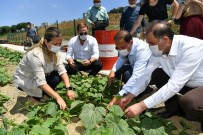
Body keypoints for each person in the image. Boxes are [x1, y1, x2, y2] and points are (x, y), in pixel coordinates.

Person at [115, 22, 203, 130]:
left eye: (151, 43)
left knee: (190, 102)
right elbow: (145, 75)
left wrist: (141, 105)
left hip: (199, 84)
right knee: (157, 74)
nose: (149, 46)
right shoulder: (160, 50)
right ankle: (174, 109)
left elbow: (173, 85)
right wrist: (130, 95)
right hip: (187, 82)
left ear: (165, 40)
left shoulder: (190, 48)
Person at [14, 27, 76, 110]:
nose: (58, 46)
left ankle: (43, 95)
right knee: (50, 82)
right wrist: (58, 97)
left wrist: (69, 88)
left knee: (58, 77)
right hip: (26, 80)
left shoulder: (55, 52)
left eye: (60, 43)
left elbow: (62, 70)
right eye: (55, 44)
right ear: (46, 41)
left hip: (40, 77)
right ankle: (33, 99)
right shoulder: (36, 55)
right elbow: (41, 82)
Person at [108, 30, 151, 106]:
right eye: (117, 48)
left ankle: (145, 92)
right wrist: (112, 70)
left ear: (130, 43)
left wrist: (119, 95)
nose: (120, 50)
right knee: (118, 71)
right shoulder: (125, 46)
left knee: (130, 76)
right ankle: (128, 89)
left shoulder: (142, 49)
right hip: (135, 68)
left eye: (122, 47)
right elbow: (121, 59)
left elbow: (136, 76)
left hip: (149, 73)